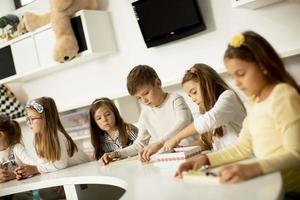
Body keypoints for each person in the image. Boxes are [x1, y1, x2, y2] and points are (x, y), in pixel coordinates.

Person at [176, 31, 300, 196]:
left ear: (263, 65)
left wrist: (253, 168)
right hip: (270, 184)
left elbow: (296, 154)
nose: (237, 83)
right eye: (233, 76)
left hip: (290, 190)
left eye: (241, 74)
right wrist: (206, 160)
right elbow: (242, 147)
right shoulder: (255, 102)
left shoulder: (283, 95)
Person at [101, 65, 197, 164]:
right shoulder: (145, 113)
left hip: (193, 154)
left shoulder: (175, 99)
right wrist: (116, 153)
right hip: (171, 159)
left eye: (146, 93)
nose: (144, 101)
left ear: (158, 83)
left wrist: (160, 143)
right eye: (139, 98)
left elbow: (183, 122)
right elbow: (139, 145)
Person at [162, 64, 246, 152]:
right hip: (227, 158)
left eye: (194, 92)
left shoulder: (229, 96)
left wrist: (176, 138)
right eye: (190, 96)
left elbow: (211, 119)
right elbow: (206, 142)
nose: (193, 99)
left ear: (207, 84)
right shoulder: (206, 109)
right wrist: (183, 150)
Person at [15, 97, 89, 179]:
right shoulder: (38, 138)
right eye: (28, 119)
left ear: (46, 119)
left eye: (32, 119)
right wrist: (27, 170)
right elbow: (43, 165)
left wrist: (35, 169)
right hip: (72, 173)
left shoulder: (56, 135)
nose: (29, 123)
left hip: (85, 171)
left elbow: (60, 164)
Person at [89, 97, 138, 165]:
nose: (104, 120)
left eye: (108, 114)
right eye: (99, 118)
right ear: (95, 122)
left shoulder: (129, 130)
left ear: (115, 113)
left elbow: (141, 147)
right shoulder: (99, 140)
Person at [0, 114, 35, 183]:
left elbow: (34, 167)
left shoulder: (17, 149)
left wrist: (13, 175)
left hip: (22, 190)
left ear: (1, 134)